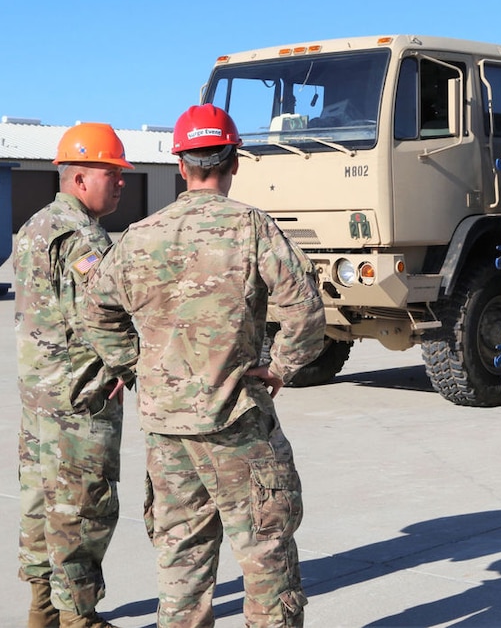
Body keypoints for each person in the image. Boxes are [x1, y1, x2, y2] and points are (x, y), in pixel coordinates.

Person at [80, 104, 326, 627]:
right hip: (236, 422)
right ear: (233, 161)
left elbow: (96, 315)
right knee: (265, 558)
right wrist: (280, 366)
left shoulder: (139, 237)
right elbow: (305, 310)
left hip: (166, 432)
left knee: (181, 564)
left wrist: (138, 369)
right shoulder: (252, 227)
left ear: (180, 167)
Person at [15, 122, 134, 628]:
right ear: (80, 179)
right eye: (113, 173)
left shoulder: (33, 228)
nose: (122, 183)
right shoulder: (84, 239)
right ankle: (76, 617)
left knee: (42, 500)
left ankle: (43, 610)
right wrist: (132, 365)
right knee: (83, 507)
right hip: (81, 397)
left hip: (38, 396)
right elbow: (105, 318)